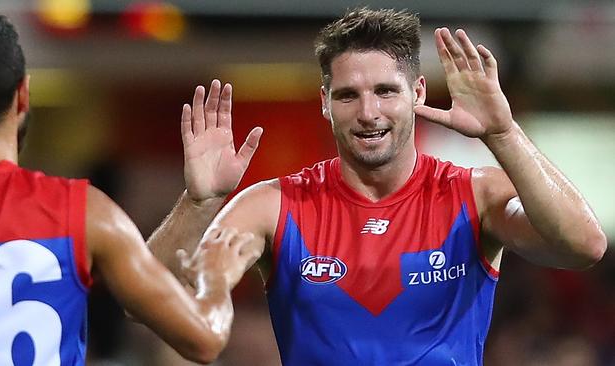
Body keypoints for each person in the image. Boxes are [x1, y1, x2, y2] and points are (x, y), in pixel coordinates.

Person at [148, 7, 607, 365]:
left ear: (419, 93)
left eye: (386, 91)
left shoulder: (475, 195)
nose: (369, 113)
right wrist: (198, 201)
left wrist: (503, 134)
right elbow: (147, 295)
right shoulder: (274, 205)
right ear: (325, 103)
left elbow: (583, 245)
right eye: (348, 95)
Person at [0, 10, 261, 365]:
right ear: (24, 95)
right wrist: (215, 278)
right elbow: (204, 338)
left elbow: (141, 299)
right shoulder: (82, 211)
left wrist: (199, 202)